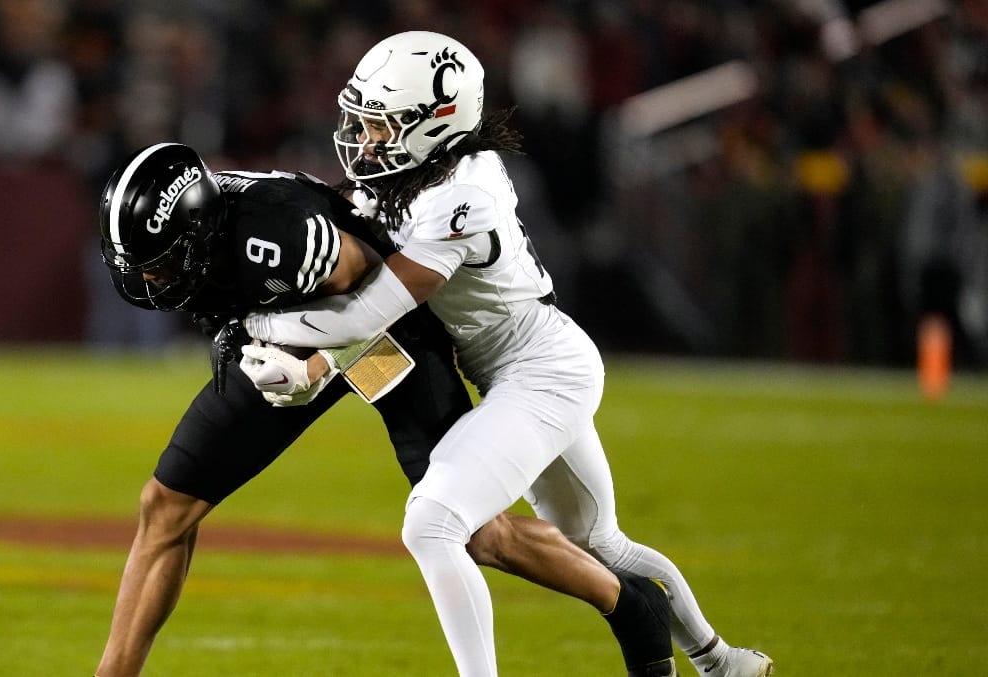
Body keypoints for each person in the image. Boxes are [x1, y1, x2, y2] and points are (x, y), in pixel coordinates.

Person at [240, 31, 774, 677]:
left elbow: (369, 313)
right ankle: (722, 662)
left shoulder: (460, 198)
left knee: (433, 523)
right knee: (598, 542)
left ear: (434, 124)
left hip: (540, 370)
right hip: (522, 364)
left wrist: (255, 319)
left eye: (383, 125)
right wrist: (321, 361)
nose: (366, 140)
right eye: (366, 121)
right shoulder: (421, 174)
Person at [93, 142, 675, 676]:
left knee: (474, 531)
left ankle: (628, 603)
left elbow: (369, 301)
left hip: (389, 339)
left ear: (200, 229)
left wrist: (314, 368)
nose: (147, 277)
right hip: (287, 333)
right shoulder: (203, 233)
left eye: (158, 262)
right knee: (166, 504)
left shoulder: (277, 235)